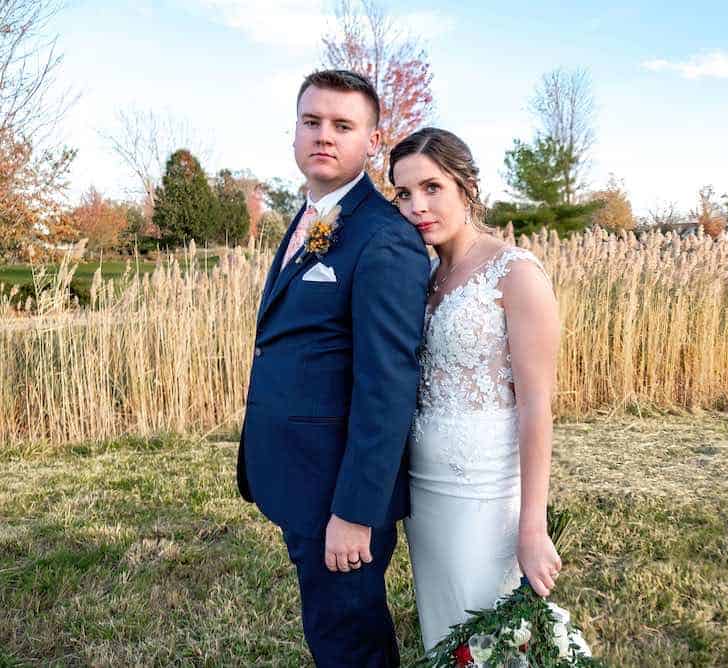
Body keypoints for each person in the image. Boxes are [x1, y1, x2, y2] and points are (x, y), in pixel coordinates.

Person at [236, 70, 429, 667]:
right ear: (293, 132)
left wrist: (355, 513)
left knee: (350, 642)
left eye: (343, 126)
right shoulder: (309, 215)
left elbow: (387, 387)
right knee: (329, 630)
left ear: (372, 141)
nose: (324, 136)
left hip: (338, 496)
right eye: (311, 122)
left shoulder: (384, 238)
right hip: (300, 476)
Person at [388, 127, 562, 652]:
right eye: (403, 193)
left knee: (495, 639)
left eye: (432, 187)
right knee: (447, 635)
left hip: (485, 491)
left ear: (466, 186)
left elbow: (537, 406)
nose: (417, 205)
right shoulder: (423, 275)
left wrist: (532, 527)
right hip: (425, 487)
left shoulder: (515, 273)